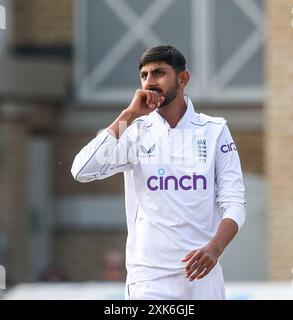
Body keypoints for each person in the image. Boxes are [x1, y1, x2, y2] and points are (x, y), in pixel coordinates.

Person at [71, 45, 246, 300]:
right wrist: (128, 115)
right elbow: (82, 170)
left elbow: (235, 204)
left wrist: (215, 248)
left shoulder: (215, 130)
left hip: (203, 278)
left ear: (183, 79)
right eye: (144, 75)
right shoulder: (134, 129)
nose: (150, 82)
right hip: (149, 281)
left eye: (159, 73)